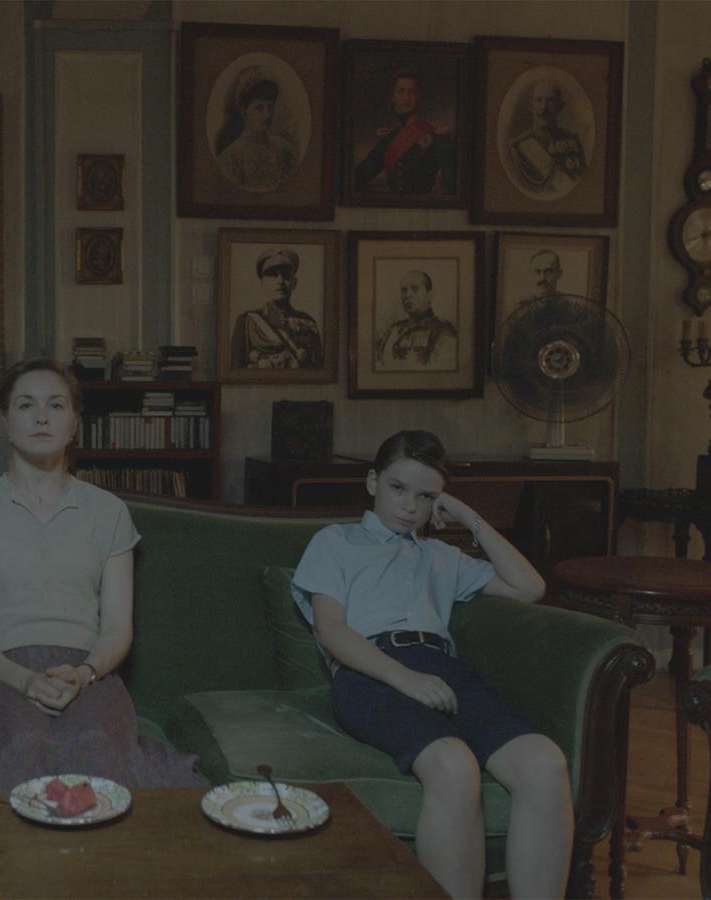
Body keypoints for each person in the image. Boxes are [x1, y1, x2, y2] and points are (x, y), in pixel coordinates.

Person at [291, 430, 569, 900]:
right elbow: (332, 632)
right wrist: (406, 679)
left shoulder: (443, 557)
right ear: (373, 481)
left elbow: (530, 587)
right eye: (398, 488)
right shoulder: (336, 541)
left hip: (442, 668)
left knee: (545, 763)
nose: (409, 506)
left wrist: (463, 512)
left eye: (426, 496)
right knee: (453, 764)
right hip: (370, 670)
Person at [0, 359, 206, 792]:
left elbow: (117, 629)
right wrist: (24, 680)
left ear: (75, 424)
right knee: (23, 743)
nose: (41, 417)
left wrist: (84, 674)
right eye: (26, 405)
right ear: (7, 421)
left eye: (56, 405)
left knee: (96, 746)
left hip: (86, 670)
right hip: (0, 671)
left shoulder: (109, 512)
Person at [353, 70, 456, 196]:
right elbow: (359, 177)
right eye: (401, 92)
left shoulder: (436, 137)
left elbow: (453, 185)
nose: (406, 98)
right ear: (393, 98)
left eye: (411, 92)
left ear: (418, 97)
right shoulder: (388, 139)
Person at [230, 248, 323, 369]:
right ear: (263, 283)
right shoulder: (247, 323)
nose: (280, 281)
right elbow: (235, 371)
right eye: (273, 275)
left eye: (286, 276)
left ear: (294, 283)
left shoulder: (308, 324)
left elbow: (318, 371)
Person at [213, 65, 299, 193]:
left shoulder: (286, 151)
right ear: (244, 111)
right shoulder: (231, 159)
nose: (267, 115)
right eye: (259, 107)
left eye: (270, 107)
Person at [507, 80, 587, 195]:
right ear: (531, 106)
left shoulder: (573, 144)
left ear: (560, 107)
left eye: (550, 101)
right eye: (539, 100)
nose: (543, 108)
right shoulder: (518, 148)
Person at [374, 270, 457, 370]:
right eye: (404, 290)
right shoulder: (392, 330)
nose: (407, 295)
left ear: (429, 295)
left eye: (415, 289)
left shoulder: (443, 330)